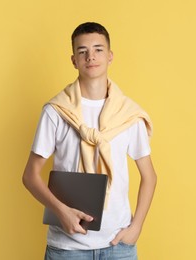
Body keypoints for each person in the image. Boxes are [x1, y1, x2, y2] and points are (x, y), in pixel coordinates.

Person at [23, 22, 157, 260]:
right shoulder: (56, 111)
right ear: (74, 59)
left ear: (110, 56)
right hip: (67, 246)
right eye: (82, 51)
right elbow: (30, 175)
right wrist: (61, 212)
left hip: (118, 245)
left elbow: (149, 176)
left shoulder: (127, 114)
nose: (91, 57)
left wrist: (136, 227)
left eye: (98, 49)